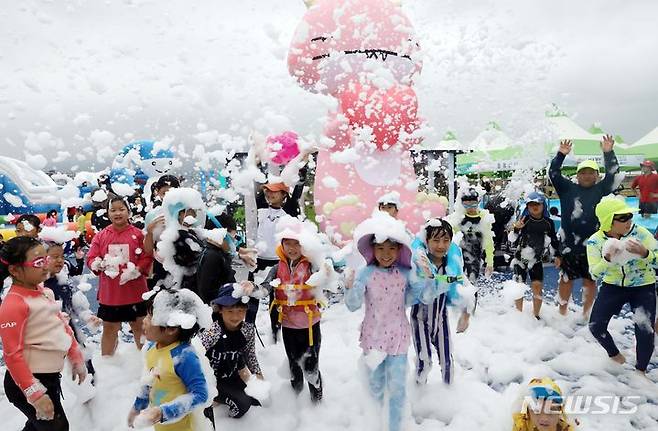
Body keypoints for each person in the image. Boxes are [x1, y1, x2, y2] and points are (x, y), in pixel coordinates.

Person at [345, 212, 434, 431]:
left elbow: (422, 297)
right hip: (373, 337)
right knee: (375, 385)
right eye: (381, 248)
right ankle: (373, 422)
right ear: (372, 249)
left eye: (392, 248)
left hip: (398, 337)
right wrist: (350, 286)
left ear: (399, 250)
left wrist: (426, 277)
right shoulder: (365, 273)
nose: (386, 254)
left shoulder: (405, 273)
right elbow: (352, 305)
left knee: (397, 387)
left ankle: (395, 426)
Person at [0, 236, 87, 431]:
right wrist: (35, 394)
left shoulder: (44, 292)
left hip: (49, 378)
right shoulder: (13, 304)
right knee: (57, 427)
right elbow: (12, 356)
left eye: (45, 259)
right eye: (38, 262)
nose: (45, 266)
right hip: (25, 382)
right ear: (15, 270)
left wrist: (76, 356)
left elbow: (62, 326)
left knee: (39, 427)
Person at [549, 135, 620, 318]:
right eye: (583, 172)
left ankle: (586, 314)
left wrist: (608, 152)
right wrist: (561, 154)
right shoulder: (567, 189)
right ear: (577, 175)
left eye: (591, 173)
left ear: (597, 176)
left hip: (594, 246)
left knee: (590, 281)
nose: (587, 175)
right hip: (569, 245)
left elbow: (613, 174)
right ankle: (562, 313)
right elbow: (554, 173)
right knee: (565, 280)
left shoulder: (601, 189)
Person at [256, 216, 325, 402]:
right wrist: (253, 290)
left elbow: (327, 280)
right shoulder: (276, 268)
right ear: (282, 245)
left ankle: (317, 402)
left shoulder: (311, 265)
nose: (292, 249)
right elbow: (265, 287)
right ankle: (295, 402)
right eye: (288, 244)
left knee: (311, 367)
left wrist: (330, 274)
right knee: (294, 365)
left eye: (297, 244)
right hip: (288, 325)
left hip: (310, 325)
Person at [586, 197, 657, 373]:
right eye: (622, 217)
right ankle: (615, 356)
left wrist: (645, 253)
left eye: (629, 216)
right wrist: (608, 259)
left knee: (645, 331)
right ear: (609, 220)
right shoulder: (595, 241)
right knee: (595, 326)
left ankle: (641, 371)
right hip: (613, 286)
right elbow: (594, 273)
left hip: (643, 286)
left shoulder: (640, 233)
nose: (628, 220)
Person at [128, 288, 213, 430]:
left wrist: (163, 412)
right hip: (161, 425)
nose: (144, 321)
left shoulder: (184, 356)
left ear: (171, 328)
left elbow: (201, 395)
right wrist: (138, 407)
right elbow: (148, 382)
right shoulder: (151, 348)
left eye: (150, 317)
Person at [86, 196, 153, 356]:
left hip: (135, 290)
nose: (118, 213)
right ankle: (107, 364)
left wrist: (136, 269)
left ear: (128, 212)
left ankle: (145, 361)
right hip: (111, 293)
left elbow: (147, 256)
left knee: (139, 326)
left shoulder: (138, 235)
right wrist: (97, 263)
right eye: (113, 210)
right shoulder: (101, 236)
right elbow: (91, 257)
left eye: (121, 209)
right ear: (108, 213)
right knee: (109, 329)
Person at [410, 218, 464, 385]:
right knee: (424, 362)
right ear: (426, 241)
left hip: (441, 319)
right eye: (435, 240)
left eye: (446, 240)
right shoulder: (419, 263)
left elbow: (464, 289)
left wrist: (465, 314)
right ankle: (419, 393)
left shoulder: (451, 264)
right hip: (419, 319)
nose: (441, 245)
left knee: (447, 361)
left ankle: (448, 395)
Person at [42, 233, 99, 386]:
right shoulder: (39, 283)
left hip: (69, 329)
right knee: (50, 371)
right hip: (47, 334)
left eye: (61, 255)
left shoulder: (63, 280)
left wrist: (88, 316)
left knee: (84, 359)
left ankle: (89, 387)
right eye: (54, 257)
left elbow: (75, 303)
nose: (60, 260)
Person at [199, 283, 264, 419]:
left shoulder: (247, 329)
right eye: (230, 311)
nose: (235, 317)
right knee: (242, 404)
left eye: (240, 311)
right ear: (220, 310)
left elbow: (249, 354)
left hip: (231, 374)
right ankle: (220, 409)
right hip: (211, 378)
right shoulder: (213, 330)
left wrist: (258, 374)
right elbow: (195, 354)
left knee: (255, 400)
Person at [252, 181, 304, 341]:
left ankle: (276, 332)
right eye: (267, 191)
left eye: (274, 192)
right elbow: (257, 179)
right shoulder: (262, 207)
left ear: (284, 195)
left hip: (278, 261)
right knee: (253, 295)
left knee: (276, 299)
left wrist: (301, 169)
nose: (269, 194)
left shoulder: (288, 211)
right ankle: (249, 328)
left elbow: (297, 191)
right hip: (258, 260)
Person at [448, 187, 494, 332]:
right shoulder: (459, 220)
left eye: (473, 204)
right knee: (458, 283)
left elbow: (488, 241)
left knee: (472, 284)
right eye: (466, 205)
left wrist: (490, 261)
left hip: (475, 258)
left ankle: (469, 316)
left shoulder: (483, 219)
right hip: (459, 258)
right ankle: (459, 313)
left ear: (478, 202)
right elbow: (450, 238)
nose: (470, 208)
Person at [510, 192, 561, 319]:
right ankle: (518, 314)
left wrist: (557, 256)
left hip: (536, 260)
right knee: (519, 286)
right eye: (531, 204)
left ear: (543, 205)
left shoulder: (548, 222)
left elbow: (553, 240)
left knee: (537, 286)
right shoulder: (524, 220)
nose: (534, 207)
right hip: (520, 258)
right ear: (527, 207)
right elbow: (512, 239)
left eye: (537, 204)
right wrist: (516, 229)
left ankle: (536, 315)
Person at [197, 214, 238, 304]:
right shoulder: (213, 257)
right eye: (231, 239)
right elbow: (206, 292)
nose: (233, 244)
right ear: (221, 234)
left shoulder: (215, 253)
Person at [512, 378, 576, 431]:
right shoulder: (521, 425)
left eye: (551, 411)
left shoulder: (566, 429)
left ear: (559, 412)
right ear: (528, 411)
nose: (544, 418)